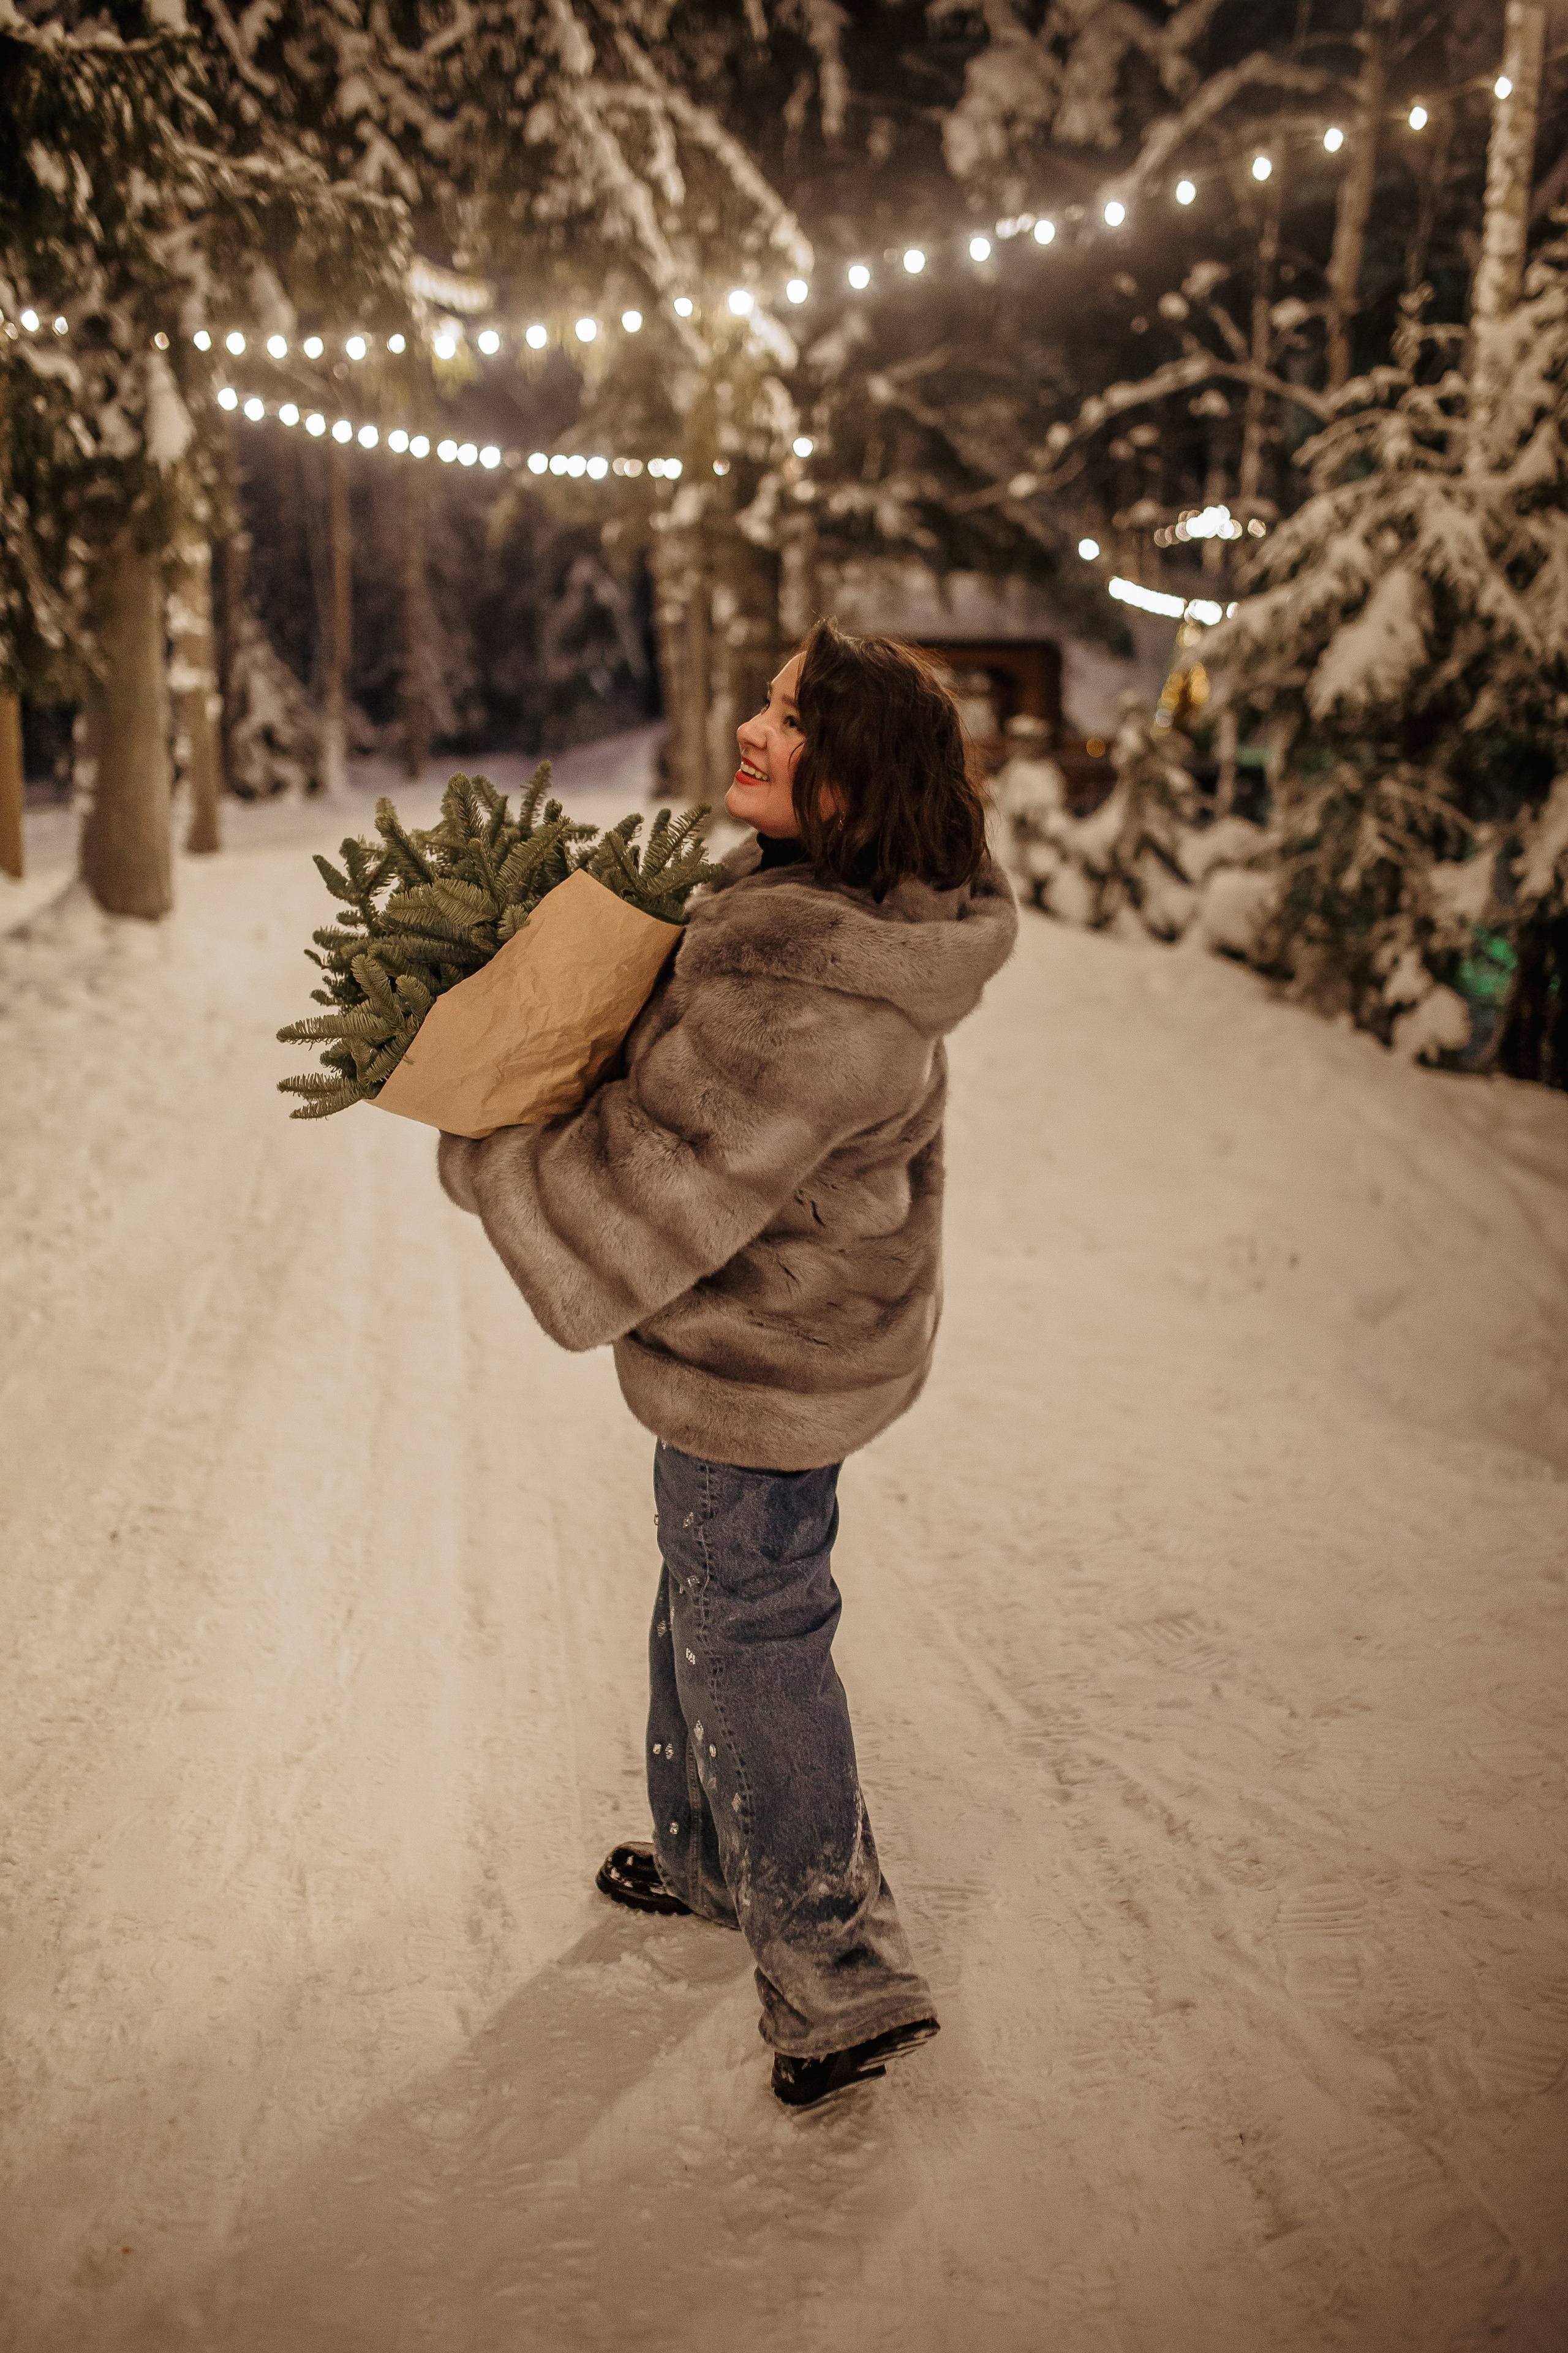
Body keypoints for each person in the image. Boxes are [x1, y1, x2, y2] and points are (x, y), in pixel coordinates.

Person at [437, 618, 1017, 2107]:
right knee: (715, 1584)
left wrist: (486, 1137)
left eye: (787, 716)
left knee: (751, 1621)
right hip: (801, 1338)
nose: (753, 727)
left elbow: (647, 1185)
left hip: (766, 1357)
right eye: (764, 699)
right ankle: (707, 1858)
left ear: (854, 776)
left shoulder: (804, 991)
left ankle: (839, 1969)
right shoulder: (842, 912)